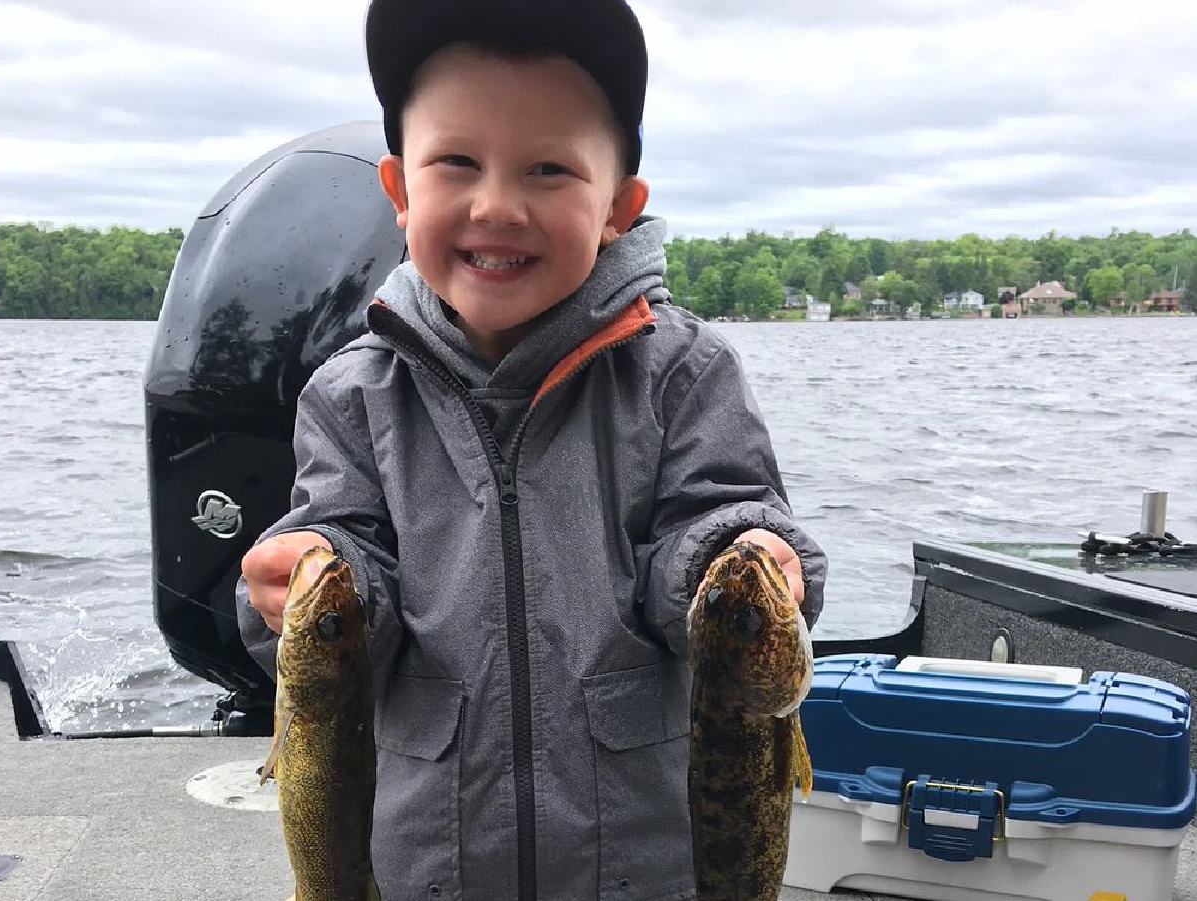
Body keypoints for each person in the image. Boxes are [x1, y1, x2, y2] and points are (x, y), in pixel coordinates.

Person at [235, 1, 828, 898]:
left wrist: (736, 557)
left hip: (642, 865)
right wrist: (310, 574)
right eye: (456, 163)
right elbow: (350, 566)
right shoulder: (349, 394)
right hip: (427, 865)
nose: (497, 205)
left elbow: (712, 519)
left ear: (618, 208)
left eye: (548, 169)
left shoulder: (685, 373)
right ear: (399, 193)